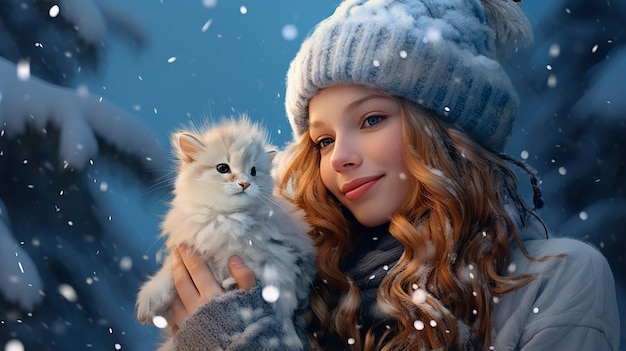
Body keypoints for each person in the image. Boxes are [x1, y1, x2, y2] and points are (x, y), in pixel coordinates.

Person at [166, 0, 621, 350]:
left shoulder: (558, 281)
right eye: (323, 141)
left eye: (370, 120)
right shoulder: (303, 293)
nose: (339, 157)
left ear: (445, 132)